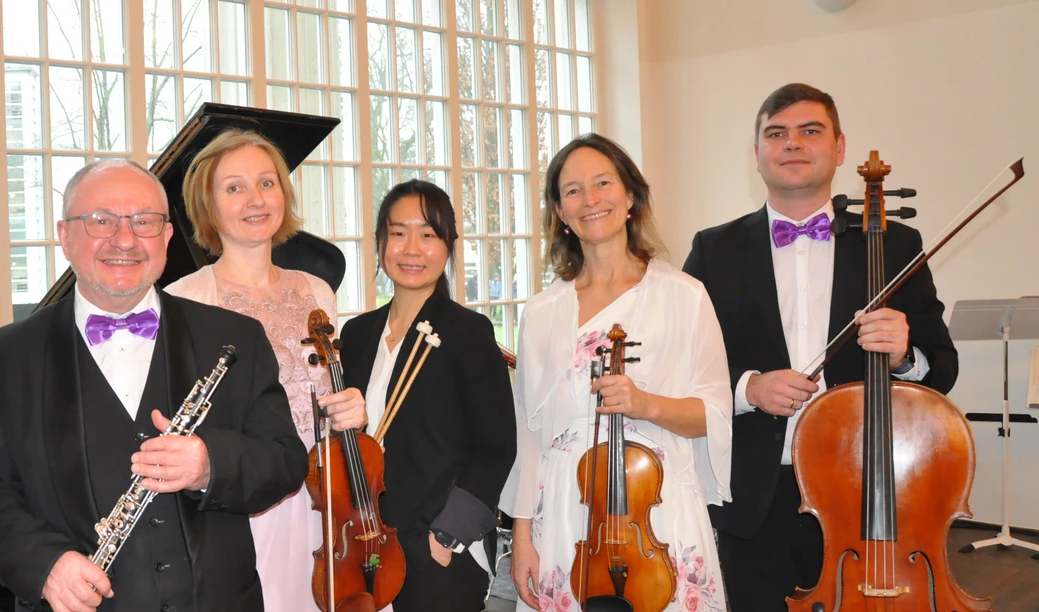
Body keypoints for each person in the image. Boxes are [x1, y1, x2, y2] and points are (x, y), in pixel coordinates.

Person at [0, 159, 306, 612]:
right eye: (101, 221)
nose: (125, 240)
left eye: (144, 222)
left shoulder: (236, 337)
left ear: (166, 237)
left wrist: (209, 463)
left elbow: (285, 460)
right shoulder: (6, 356)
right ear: (64, 236)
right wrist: (45, 565)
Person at [682, 83, 958, 611]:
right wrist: (749, 387)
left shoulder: (895, 244)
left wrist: (905, 356)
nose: (793, 144)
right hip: (755, 490)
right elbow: (684, 364)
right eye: (776, 134)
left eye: (810, 131)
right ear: (757, 152)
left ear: (839, 147)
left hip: (869, 486)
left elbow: (943, 367)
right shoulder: (713, 249)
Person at [501, 134, 733, 611]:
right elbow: (529, 433)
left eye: (603, 183)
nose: (590, 200)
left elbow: (714, 414)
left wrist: (647, 405)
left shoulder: (685, 296)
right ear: (560, 213)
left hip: (656, 513)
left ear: (630, 195)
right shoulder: (541, 311)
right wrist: (522, 535)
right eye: (572, 191)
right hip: (567, 512)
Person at [165, 129, 367, 611]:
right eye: (233, 187)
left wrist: (353, 407)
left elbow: (324, 384)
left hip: (329, 498)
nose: (255, 199)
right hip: (250, 507)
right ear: (208, 205)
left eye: (266, 183)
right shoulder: (184, 301)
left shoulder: (318, 290)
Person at [336, 179, 516, 611]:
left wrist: (446, 536)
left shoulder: (469, 332)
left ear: (449, 246)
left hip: (436, 548)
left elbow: (496, 448)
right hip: (366, 541)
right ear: (380, 244)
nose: (411, 249)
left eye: (428, 234)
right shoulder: (357, 334)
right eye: (398, 233)